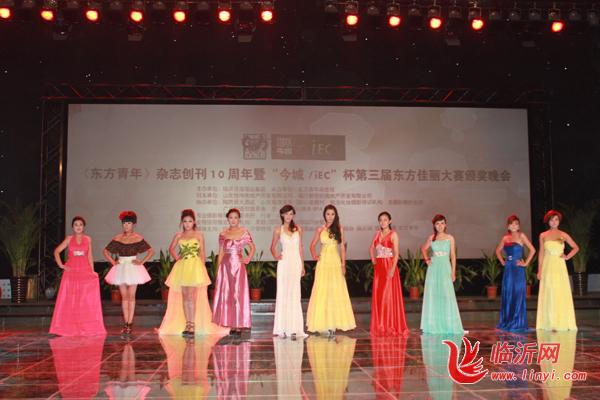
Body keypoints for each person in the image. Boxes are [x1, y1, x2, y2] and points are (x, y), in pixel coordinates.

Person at [159, 209, 229, 336]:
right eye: (185, 221)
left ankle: (192, 324)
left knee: (191, 296)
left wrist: (202, 269)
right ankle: (188, 324)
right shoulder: (179, 235)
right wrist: (177, 258)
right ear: (182, 222)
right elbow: (171, 248)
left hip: (195, 267)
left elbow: (202, 253)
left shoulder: (199, 235)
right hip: (183, 267)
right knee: (185, 296)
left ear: (194, 222)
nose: (187, 224)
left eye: (190, 221)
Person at [49, 216, 106, 336]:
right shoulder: (69, 239)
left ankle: (86, 326)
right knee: (70, 299)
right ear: (72, 227)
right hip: (71, 271)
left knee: (84, 299)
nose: (78, 227)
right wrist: (61, 265)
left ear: (83, 227)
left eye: (80, 224)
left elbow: (90, 256)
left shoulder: (88, 239)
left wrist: (92, 271)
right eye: (76, 224)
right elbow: (56, 251)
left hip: (84, 271)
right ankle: (68, 327)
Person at [306, 204, 356, 336]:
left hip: (335, 262)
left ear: (336, 215)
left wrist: (343, 264)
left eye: (332, 214)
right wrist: (315, 256)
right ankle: (322, 323)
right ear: (324, 215)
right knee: (322, 290)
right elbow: (312, 245)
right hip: (323, 263)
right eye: (328, 214)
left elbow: (342, 248)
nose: (330, 216)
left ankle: (334, 322)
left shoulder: (339, 228)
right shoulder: (320, 229)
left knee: (335, 290)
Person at [104, 211, 153, 335]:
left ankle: (130, 323)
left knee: (131, 296)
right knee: (124, 297)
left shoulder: (137, 238)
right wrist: (113, 262)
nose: (126, 225)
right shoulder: (118, 238)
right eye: (124, 223)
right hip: (121, 267)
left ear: (133, 224)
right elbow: (105, 251)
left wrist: (141, 262)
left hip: (133, 268)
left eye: (129, 223)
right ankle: (126, 323)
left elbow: (151, 251)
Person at [212, 208, 256, 336]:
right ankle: (231, 324)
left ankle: (238, 325)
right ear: (227, 219)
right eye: (231, 217)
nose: (233, 220)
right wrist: (218, 270)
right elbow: (221, 252)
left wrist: (247, 259)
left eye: (235, 217)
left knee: (238, 294)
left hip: (238, 266)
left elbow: (252, 247)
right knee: (228, 295)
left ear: (239, 219)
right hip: (225, 267)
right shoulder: (223, 234)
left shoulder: (244, 232)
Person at [420, 214, 464, 334]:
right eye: (437, 223)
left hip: (445, 268)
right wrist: (427, 259)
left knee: (446, 295)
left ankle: (448, 324)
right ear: (434, 225)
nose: (440, 226)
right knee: (434, 295)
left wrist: (453, 272)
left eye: (442, 223)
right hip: (433, 268)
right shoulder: (432, 237)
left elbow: (453, 256)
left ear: (445, 224)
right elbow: (423, 249)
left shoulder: (450, 238)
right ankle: (433, 324)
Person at [536, 210, 579, 331]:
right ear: (548, 221)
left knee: (560, 292)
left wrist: (567, 256)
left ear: (559, 221)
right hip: (548, 266)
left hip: (559, 266)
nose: (554, 222)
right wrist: (539, 270)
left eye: (556, 219)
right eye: (551, 220)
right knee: (549, 292)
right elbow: (541, 253)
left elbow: (576, 247)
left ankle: (560, 321)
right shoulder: (543, 235)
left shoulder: (563, 234)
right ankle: (549, 322)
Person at [369, 211, 408, 336]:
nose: (383, 222)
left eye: (385, 220)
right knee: (380, 297)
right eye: (380, 220)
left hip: (389, 266)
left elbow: (396, 254)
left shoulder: (393, 234)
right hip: (379, 268)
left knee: (388, 296)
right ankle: (380, 325)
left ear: (390, 221)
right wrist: (373, 259)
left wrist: (392, 269)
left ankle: (390, 325)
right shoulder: (377, 234)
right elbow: (371, 247)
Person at [270, 204, 306, 339]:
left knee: (295, 294)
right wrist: (276, 255)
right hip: (284, 264)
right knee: (283, 293)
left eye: (291, 214)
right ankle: (283, 327)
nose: (288, 216)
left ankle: (294, 328)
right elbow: (272, 247)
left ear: (293, 215)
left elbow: (300, 248)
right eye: (286, 214)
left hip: (295, 263)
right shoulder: (278, 230)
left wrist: (302, 266)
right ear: (282, 215)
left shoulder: (298, 229)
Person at [495, 214, 535, 332]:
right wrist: (503, 261)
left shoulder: (522, 236)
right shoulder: (505, 238)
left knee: (517, 293)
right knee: (508, 293)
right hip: (508, 268)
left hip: (518, 269)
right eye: (511, 224)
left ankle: (517, 322)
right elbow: (497, 251)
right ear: (508, 226)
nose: (514, 226)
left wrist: (525, 263)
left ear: (519, 226)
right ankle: (507, 321)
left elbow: (533, 250)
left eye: (516, 224)